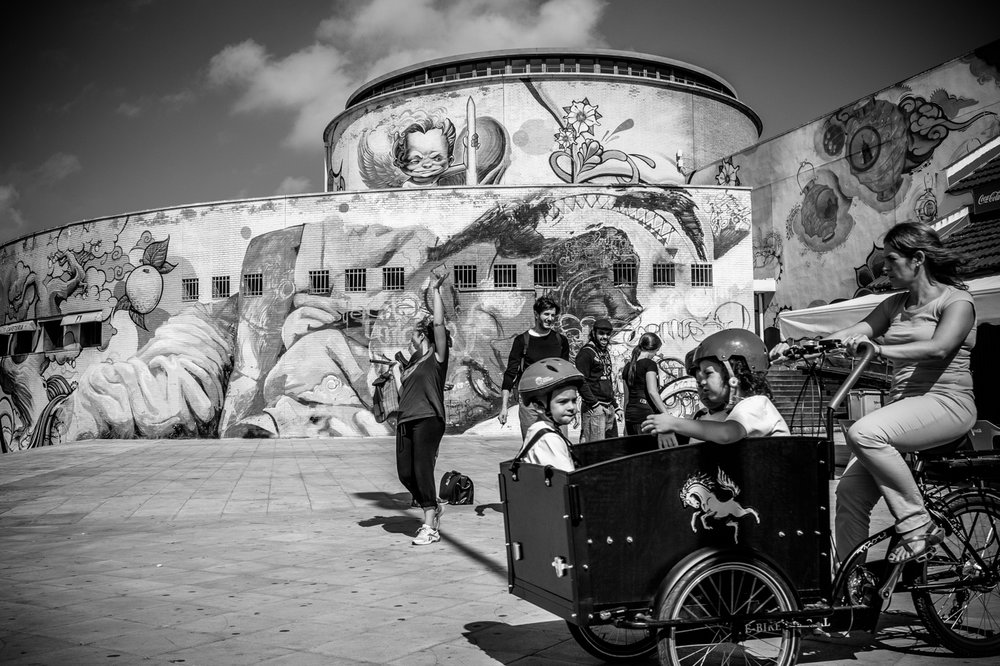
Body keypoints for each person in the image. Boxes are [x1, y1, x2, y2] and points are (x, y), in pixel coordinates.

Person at [811, 221, 976, 565]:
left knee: (864, 432)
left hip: (948, 404)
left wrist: (880, 350)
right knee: (850, 491)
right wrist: (803, 347)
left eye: (890, 259)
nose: (883, 267)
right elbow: (853, 332)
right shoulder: (893, 304)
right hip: (903, 410)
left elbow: (938, 348)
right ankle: (851, 585)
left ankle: (918, 525)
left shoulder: (957, 302)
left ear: (917, 259)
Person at [643, 329, 789, 444]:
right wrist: (669, 429)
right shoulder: (723, 414)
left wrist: (673, 423)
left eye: (708, 374)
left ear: (734, 374)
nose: (703, 383)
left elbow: (726, 434)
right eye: (699, 381)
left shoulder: (757, 404)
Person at [392, 269, 451, 546]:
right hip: (406, 419)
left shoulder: (436, 357)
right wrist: (395, 373)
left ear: (422, 336)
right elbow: (404, 394)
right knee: (406, 473)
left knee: (422, 469)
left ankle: (429, 523)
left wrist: (436, 289)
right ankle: (432, 505)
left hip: (429, 418)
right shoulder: (411, 365)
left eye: (414, 335)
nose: (410, 339)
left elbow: (439, 324)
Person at [499, 296, 571, 437]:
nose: (550, 318)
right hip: (530, 404)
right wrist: (504, 407)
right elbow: (510, 374)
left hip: (555, 402)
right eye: (546, 314)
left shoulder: (560, 340)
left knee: (560, 445)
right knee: (532, 446)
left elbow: (566, 375)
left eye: (553, 315)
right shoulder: (522, 341)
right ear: (537, 314)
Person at [513, 358, 583, 471]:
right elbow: (567, 479)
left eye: (574, 400)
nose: (571, 407)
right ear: (539, 406)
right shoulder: (549, 438)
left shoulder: (538, 428)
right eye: (563, 402)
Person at [575, 318, 620, 442]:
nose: (605, 337)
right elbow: (580, 382)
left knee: (613, 449)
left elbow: (607, 380)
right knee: (595, 451)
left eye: (608, 334)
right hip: (594, 409)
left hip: (609, 407)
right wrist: (595, 405)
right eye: (601, 333)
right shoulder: (586, 353)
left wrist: (615, 406)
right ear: (594, 333)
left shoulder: (604, 352)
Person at [621, 332, 669, 435]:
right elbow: (652, 392)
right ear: (652, 349)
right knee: (650, 450)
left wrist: (626, 424)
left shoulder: (627, 367)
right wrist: (666, 414)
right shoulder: (649, 364)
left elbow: (626, 399)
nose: (656, 354)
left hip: (630, 416)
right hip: (645, 416)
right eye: (656, 351)